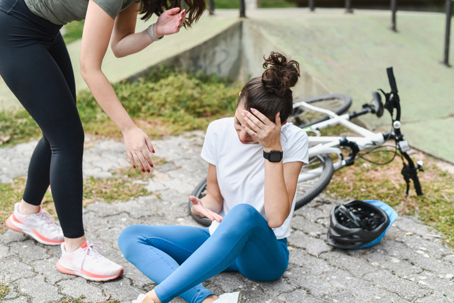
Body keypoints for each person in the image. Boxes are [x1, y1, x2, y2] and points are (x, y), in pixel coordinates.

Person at [0, 0, 205, 281]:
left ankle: (27, 213)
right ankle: (74, 252)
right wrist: (128, 128)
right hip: (13, 27)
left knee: (58, 129)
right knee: (67, 139)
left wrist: (155, 30)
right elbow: (90, 67)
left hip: (44, 29)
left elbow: (119, 46)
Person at [118, 51, 309, 303]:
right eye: (240, 124)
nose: (242, 137)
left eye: (254, 133)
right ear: (239, 99)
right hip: (219, 240)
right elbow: (215, 197)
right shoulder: (218, 130)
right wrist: (202, 208)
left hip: (263, 256)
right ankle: (207, 301)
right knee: (131, 236)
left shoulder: (293, 140)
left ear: (280, 125)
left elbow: (274, 218)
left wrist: (272, 149)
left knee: (243, 213)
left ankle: (154, 298)